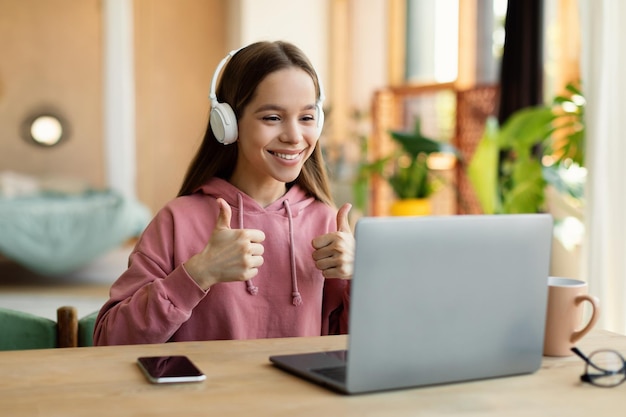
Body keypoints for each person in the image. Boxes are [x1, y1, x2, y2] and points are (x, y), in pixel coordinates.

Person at [93, 40, 354, 345]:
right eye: (272, 117)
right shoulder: (177, 220)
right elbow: (108, 341)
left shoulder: (327, 223)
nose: (295, 136)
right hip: (206, 394)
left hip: (298, 394)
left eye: (307, 117)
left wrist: (359, 281)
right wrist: (197, 274)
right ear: (227, 124)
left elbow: (356, 351)